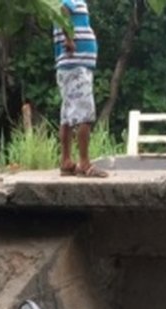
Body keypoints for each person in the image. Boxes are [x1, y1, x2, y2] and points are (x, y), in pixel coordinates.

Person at [54, 0, 108, 178]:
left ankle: (66, 161)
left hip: (70, 65)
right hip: (76, 65)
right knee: (84, 114)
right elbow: (63, 10)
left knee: (67, 116)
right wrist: (69, 39)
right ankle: (84, 163)